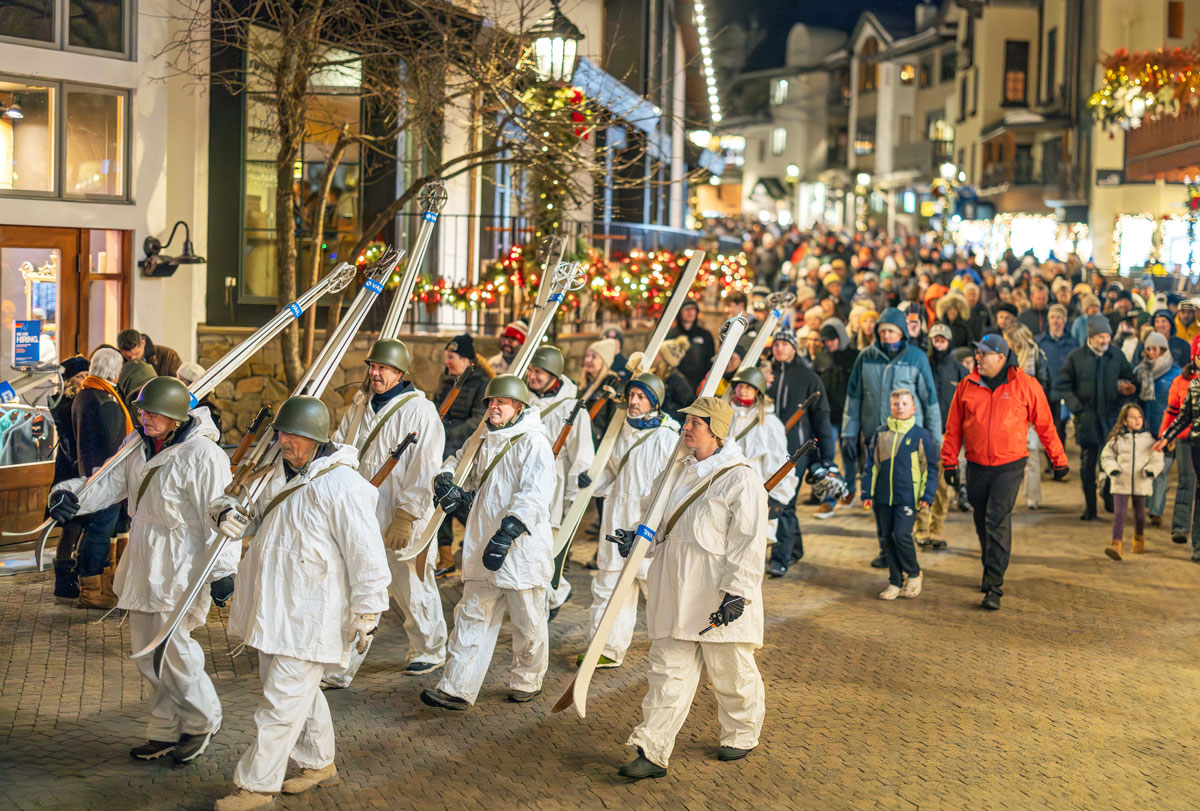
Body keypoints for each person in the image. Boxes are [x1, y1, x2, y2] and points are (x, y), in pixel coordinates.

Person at [47, 377, 236, 764]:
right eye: (142, 410)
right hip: (144, 556)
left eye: (151, 413)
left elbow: (222, 516)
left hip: (183, 563)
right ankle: (165, 729)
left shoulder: (204, 456)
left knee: (173, 650)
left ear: (176, 417)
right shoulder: (139, 446)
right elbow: (107, 484)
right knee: (147, 654)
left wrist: (223, 571)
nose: (142, 418)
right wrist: (69, 496)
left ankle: (202, 721)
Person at [215, 396, 390, 810]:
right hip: (272, 609)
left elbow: (367, 554)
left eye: (294, 435)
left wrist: (368, 611)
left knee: (280, 702)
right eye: (281, 433)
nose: (284, 441)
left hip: (314, 614)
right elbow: (240, 507)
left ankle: (256, 786)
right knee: (297, 694)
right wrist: (223, 513)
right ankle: (318, 762)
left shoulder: (344, 486)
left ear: (317, 439)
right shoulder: (273, 474)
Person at [616, 397, 768, 779]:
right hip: (674, 588)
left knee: (731, 671)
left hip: (717, 594)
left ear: (715, 431)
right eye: (685, 421)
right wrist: (636, 539)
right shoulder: (675, 470)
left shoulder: (741, 478)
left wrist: (738, 592)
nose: (685, 427)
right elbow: (655, 518)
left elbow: (748, 540)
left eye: (695, 423)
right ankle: (651, 749)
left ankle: (741, 733)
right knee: (667, 671)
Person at [421, 375, 555, 710]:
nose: (493, 407)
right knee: (471, 614)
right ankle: (456, 686)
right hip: (482, 541)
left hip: (520, 548)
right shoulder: (483, 436)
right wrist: (445, 479)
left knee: (527, 620)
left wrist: (509, 531)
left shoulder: (533, 442)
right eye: (491, 402)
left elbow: (535, 495)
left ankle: (527, 678)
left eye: (501, 402)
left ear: (518, 406)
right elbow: (460, 461)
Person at [325, 339, 447, 685]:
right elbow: (341, 448)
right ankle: (339, 667)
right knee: (358, 589)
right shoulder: (359, 406)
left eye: (382, 368)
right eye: (372, 367)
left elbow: (425, 469)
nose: (374, 373)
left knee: (412, 586)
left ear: (399, 372)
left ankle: (430, 648)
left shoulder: (419, 412)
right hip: (361, 513)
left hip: (401, 516)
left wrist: (406, 516)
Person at [942, 335, 1068, 610]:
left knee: (997, 519)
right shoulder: (966, 385)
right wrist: (949, 462)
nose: (978, 358)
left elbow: (1046, 425)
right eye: (977, 353)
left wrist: (1058, 459)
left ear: (1001, 357)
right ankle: (990, 569)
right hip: (976, 465)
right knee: (981, 520)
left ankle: (995, 586)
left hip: (1009, 466)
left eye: (984, 354)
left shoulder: (1026, 385)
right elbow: (953, 427)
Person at [582, 373, 679, 668]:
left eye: (641, 397)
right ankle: (606, 648)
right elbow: (612, 472)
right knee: (608, 586)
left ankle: (679, 647)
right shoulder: (619, 430)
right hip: (615, 519)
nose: (633, 402)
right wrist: (591, 480)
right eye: (631, 396)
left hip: (647, 525)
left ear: (654, 402)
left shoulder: (668, 437)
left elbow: (672, 485)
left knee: (659, 592)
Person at [842, 308, 941, 564]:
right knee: (879, 497)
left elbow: (930, 400)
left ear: (902, 333)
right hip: (877, 439)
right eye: (883, 330)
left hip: (909, 440)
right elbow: (853, 398)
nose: (887, 335)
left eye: (892, 331)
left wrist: (935, 437)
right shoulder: (865, 357)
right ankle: (885, 550)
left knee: (906, 494)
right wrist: (849, 432)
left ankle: (903, 546)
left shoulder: (917, 358)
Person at [524, 345, 594, 618]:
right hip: (523, 485)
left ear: (554, 374)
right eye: (531, 370)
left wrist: (572, 502)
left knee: (545, 551)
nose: (533, 376)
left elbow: (582, 458)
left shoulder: (572, 410)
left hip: (553, 488)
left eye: (539, 372)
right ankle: (553, 595)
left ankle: (549, 598)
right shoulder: (524, 400)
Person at [1054, 315, 1137, 520]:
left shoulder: (1116, 356)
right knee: (1088, 463)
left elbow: (1131, 380)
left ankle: (1107, 494)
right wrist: (1077, 408)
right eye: (1100, 336)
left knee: (1112, 460)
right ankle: (1090, 507)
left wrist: (1125, 395)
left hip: (1111, 419)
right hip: (1088, 419)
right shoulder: (1076, 357)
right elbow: (1064, 385)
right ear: (1091, 337)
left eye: (1107, 336)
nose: (1104, 341)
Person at [68, 347, 133, 609]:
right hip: (106, 477)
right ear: (114, 369)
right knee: (99, 531)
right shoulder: (102, 398)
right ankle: (91, 591)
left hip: (97, 474)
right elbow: (113, 443)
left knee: (108, 529)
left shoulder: (87, 393)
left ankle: (107, 584)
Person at [766, 327, 835, 567]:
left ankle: (780, 558)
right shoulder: (765, 374)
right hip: (768, 449)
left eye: (785, 344)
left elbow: (821, 417)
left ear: (794, 347)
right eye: (776, 344)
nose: (780, 348)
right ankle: (794, 549)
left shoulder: (808, 377)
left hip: (796, 451)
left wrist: (827, 457)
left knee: (784, 502)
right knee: (780, 501)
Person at [862, 388, 938, 600]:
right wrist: (867, 492)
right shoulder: (880, 434)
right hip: (883, 497)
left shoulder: (920, 435)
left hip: (908, 497)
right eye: (896, 404)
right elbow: (871, 465)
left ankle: (914, 573)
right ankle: (895, 581)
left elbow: (929, 468)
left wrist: (927, 494)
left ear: (913, 408)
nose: (900, 407)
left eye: (904, 404)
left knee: (901, 535)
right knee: (887, 539)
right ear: (890, 407)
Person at [728, 368, 796, 576]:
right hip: (726, 491)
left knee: (751, 556)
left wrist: (778, 497)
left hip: (756, 493)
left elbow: (780, 462)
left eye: (749, 387)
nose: (744, 390)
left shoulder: (769, 422)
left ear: (758, 391)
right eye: (740, 386)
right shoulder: (726, 416)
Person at [435, 334, 493, 578]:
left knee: (462, 506)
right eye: (447, 357)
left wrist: (444, 433)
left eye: (452, 357)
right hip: (444, 449)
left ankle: (484, 547)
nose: (448, 362)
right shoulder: (447, 380)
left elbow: (477, 421)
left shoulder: (481, 383)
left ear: (466, 359)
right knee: (440, 497)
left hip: (466, 451)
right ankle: (446, 557)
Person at [915, 325, 966, 548]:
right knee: (923, 482)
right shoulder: (922, 366)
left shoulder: (958, 371)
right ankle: (921, 528)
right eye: (935, 340)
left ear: (949, 342)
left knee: (944, 487)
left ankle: (937, 529)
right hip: (924, 434)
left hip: (949, 435)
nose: (939, 344)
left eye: (943, 340)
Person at [48, 354, 91, 603]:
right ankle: (63, 579)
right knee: (70, 526)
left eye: (87, 375)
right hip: (70, 471)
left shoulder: (83, 400)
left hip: (79, 470)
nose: (84, 380)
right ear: (68, 380)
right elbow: (69, 441)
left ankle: (73, 574)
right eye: (79, 376)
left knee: (81, 524)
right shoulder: (63, 404)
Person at [1100, 404, 1163, 561]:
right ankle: (1116, 543)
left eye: (1140, 417)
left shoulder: (1149, 440)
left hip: (1141, 482)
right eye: (1133, 417)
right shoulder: (1117, 440)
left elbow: (1157, 458)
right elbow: (1106, 456)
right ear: (1124, 420)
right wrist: (1112, 469)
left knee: (1140, 515)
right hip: (1121, 481)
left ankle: (1139, 538)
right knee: (1119, 513)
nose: (1137, 420)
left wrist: (1150, 471)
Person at [1134, 333, 1181, 528]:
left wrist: (1174, 433)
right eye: (1149, 348)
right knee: (1144, 470)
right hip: (1145, 429)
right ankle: (1145, 505)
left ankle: (1156, 511)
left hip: (1167, 430)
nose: (1151, 353)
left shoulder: (1176, 373)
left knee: (1162, 471)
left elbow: (1180, 405)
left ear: (1163, 350)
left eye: (1155, 349)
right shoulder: (1139, 371)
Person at [1159, 336, 1200, 555]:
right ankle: (1180, 527)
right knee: (1186, 482)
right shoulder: (1182, 381)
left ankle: (1198, 544)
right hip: (1186, 439)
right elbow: (1175, 411)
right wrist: (1165, 436)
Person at [1004, 323, 1051, 510]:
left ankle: (1032, 497)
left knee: (1030, 456)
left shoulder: (1037, 355)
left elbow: (1044, 384)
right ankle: (1010, 496)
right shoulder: (1005, 357)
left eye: (1008, 340)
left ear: (1016, 341)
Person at [1037, 304, 1078, 445]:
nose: (1056, 321)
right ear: (1048, 320)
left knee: (1061, 427)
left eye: (1059, 317)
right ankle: (1053, 462)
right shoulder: (1040, 343)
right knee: (1049, 428)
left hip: (1066, 392)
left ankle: (1059, 460)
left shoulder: (1072, 343)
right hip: (1047, 392)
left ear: (1065, 320)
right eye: (1053, 317)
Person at [579, 337, 623, 442]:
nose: (588, 360)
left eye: (594, 357)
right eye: (587, 356)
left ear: (604, 361)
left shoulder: (612, 385)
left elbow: (613, 419)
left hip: (598, 441)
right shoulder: (583, 384)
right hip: (582, 438)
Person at [668, 300, 716, 391]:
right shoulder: (670, 335)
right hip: (676, 383)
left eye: (693, 309)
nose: (690, 312)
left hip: (699, 383)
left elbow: (711, 358)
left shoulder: (705, 334)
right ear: (679, 312)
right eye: (686, 309)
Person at [176, 361, 222, 436]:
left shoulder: (207, 412)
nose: (177, 384)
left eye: (181, 380)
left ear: (193, 384)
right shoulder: (183, 406)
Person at [116, 328, 182, 378]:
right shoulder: (115, 362)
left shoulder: (168, 356)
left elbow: (179, 384)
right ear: (120, 350)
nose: (133, 359)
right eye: (127, 356)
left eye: (137, 354)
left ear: (143, 343)